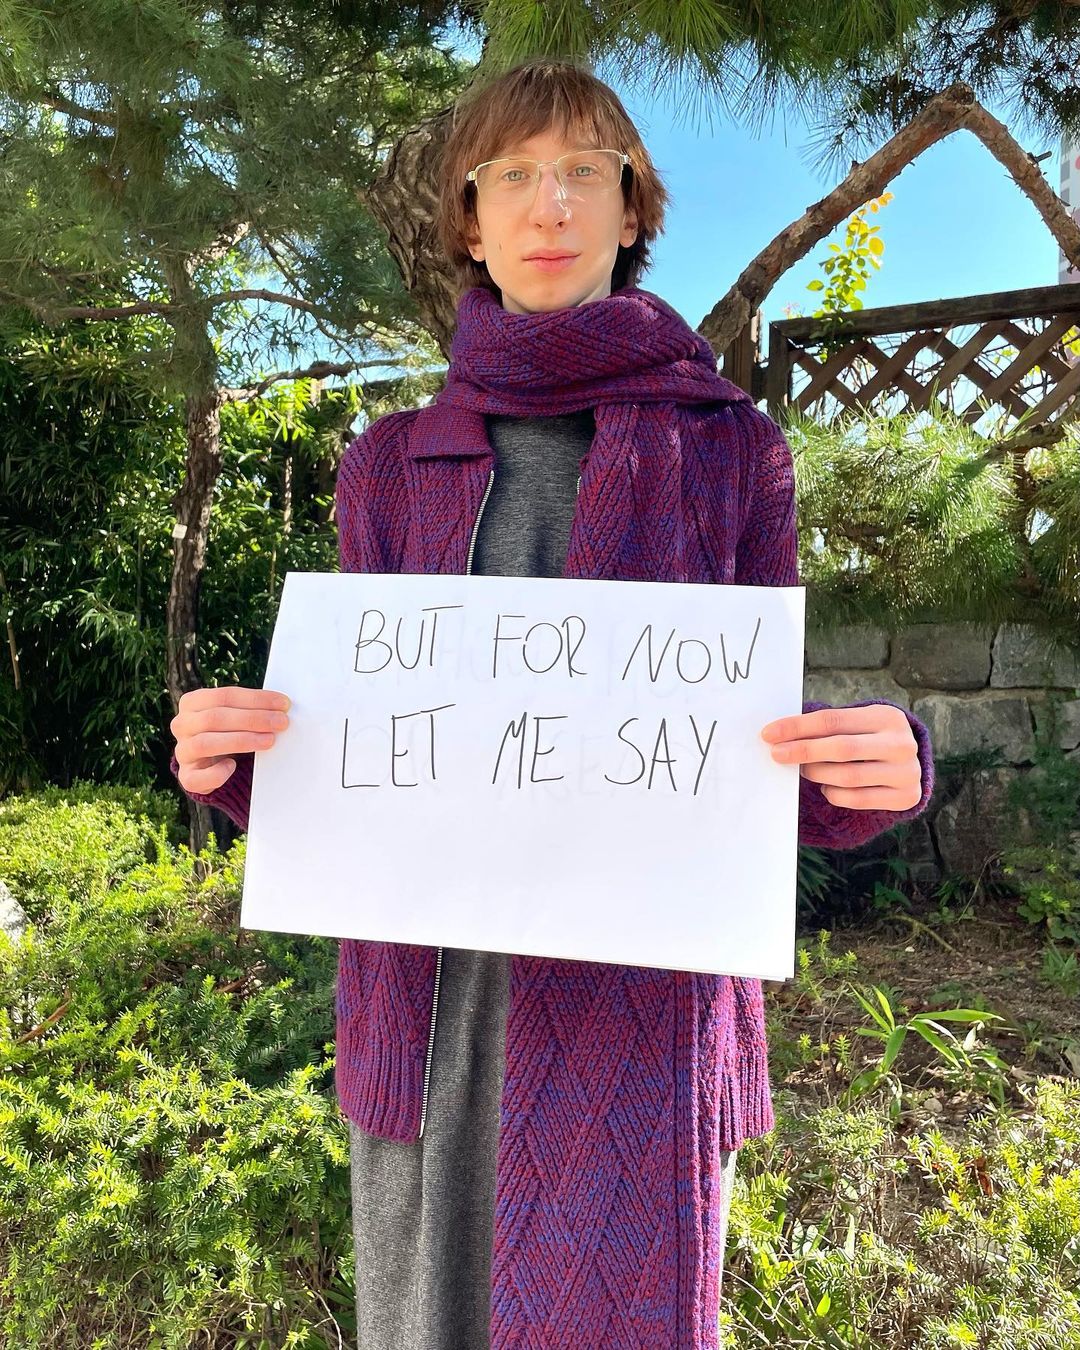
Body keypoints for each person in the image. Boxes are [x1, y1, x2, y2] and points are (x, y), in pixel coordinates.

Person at [170, 57, 935, 1350]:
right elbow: (366, 758)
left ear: (634, 208)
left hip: (643, 1026)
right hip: (434, 1019)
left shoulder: (734, 452)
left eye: (586, 169)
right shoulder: (386, 465)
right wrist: (241, 767)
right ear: (469, 221)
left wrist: (873, 770)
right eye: (513, 174)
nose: (552, 202)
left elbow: (745, 758)